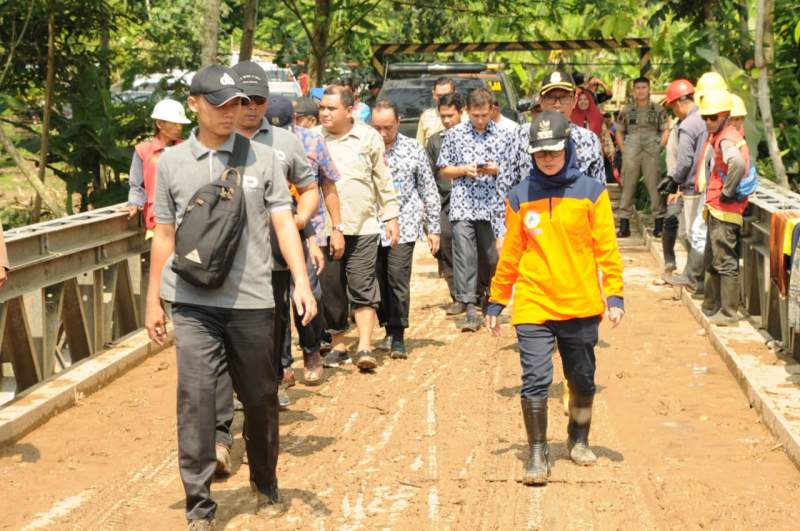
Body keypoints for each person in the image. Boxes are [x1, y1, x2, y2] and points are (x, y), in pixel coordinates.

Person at [145, 64, 316, 529]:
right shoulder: (172, 164)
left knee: (260, 398)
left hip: (252, 299)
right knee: (196, 400)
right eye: (219, 104)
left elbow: (283, 221)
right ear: (194, 104)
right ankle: (199, 503)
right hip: (192, 301)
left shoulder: (263, 158)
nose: (230, 112)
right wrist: (153, 299)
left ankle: (265, 479)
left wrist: (301, 281)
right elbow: (164, 235)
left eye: (236, 104)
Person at [485, 111, 624, 485]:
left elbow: (607, 248)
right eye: (540, 152)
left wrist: (614, 294)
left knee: (582, 378)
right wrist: (498, 298)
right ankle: (537, 453)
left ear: (568, 149)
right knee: (535, 378)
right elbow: (511, 253)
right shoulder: (520, 196)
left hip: (580, 302)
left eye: (554, 151)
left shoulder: (592, 192)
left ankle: (578, 437)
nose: (547, 158)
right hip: (534, 300)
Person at [232, 61, 320, 411]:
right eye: (245, 100)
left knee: (271, 327)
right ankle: (234, 392)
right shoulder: (216, 138)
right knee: (230, 329)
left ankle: (268, 385)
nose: (252, 107)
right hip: (227, 257)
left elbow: (309, 188)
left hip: (273, 256)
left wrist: (300, 220)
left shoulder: (285, 142)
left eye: (259, 100)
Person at [316, 85, 400, 371]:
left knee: (363, 285)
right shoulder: (314, 139)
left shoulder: (368, 137)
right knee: (331, 289)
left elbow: (382, 179)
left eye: (331, 108)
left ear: (349, 110)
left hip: (364, 225)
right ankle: (339, 345)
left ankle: (364, 346)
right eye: (322, 107)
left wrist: (391, 216)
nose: (325, 113)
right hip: (325, 229)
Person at [267, 93, 344, 385]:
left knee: (311, 291)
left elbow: (327, 185)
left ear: (296, 121)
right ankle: (282, 364)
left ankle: (311, 350)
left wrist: (334, 228)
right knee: (276, 300)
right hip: (267, 233)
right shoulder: (253, 145)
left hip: (305, 227)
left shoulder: (311, 141)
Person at [437, 87, 517, 332]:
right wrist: (463, 170)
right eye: (475, 115)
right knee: (465, 256)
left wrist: (496, 169)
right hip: (463, 205)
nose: (480, 120)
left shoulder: (505, 135)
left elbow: (515, 169)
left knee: (492, 257)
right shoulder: (454, 134)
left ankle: (488, 295)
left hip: (493, 206)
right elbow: (444, 168)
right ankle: (470, 308)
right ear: (467, 111)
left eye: (484, 115)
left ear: (491, 110)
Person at [371, 99, 441, 359]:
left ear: (398, 122)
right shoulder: (365, 149)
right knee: (377, 279)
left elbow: (428, 189)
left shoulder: (413, 149)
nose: (382, 133)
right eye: (377, 127)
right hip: (371, 226)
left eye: (388, 127)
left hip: (404, 225)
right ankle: (387, 327)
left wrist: (433, 228)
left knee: (397, 279)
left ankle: (398, 333)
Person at [501, 71, 606, 206]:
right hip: (530, 215)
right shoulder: (521, 135)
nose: (557, 104)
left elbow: (599, 192)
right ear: (541, 101)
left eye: (564, 98)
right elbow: (504, 186)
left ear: (574, 101)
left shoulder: (588, 140)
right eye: (550, 98)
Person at [699, 89, 749, 327]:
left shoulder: (726, 138)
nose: (708, 122)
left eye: (713, 117)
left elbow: (737, 163)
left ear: (726, 116)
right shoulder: (722, 135)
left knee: (725, 260)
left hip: (725, 210)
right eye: (705, 117)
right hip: (717, 208)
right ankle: (712, 304)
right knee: (713, 258)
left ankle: (728, 313)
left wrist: (727, 191)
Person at [661, 79, 708, 286]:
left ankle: (695, 279)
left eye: (673, 106)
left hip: (692, 186)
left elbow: (685, 160)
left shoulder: (688, 124)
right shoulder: (705, 118)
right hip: (704, 184)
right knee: (698, 233)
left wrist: (674, 181)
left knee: (693, 234)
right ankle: (696, 277)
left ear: (679, 103)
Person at [616, 76, 670, 238]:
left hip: (651, 149)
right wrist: (624, 150)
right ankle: (624, 226)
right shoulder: (626, 110)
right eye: (638, 88)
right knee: (628, 186)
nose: (641, 91)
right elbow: (619, 131)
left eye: (643, 88)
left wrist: (659, 147)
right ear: (634, 90)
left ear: (649, 89)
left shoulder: (658, 110)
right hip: (631, 148)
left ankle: (658, 226)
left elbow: (666, 129)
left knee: (654, 186)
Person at [426, 92, 465, 314]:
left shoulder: (473, 137)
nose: (447, 120)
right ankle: (457, 295)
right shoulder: (435, 141)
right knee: (446, 245)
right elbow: (429, 175)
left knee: (475, 249)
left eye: (451, 115)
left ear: (462, 112)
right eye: (443, 116)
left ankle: (479, 292)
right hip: (444, 203)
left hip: (471, 203)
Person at [127, 98, 190, 231]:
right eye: (174, 123)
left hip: (186, 219)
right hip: (157, 219)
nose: (179, 127)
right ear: (159, 124)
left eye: (180, 123)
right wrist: (134, 203)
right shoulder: (143, 151)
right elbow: (136, 185)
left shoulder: (188, 149)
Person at [416, 77, 457, 147]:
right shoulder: (426, 116)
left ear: (455, 94)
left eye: (447, 95)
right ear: (434, 95)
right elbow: (419, 146)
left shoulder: (466, 117)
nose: (443, 99)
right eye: (439, 95)